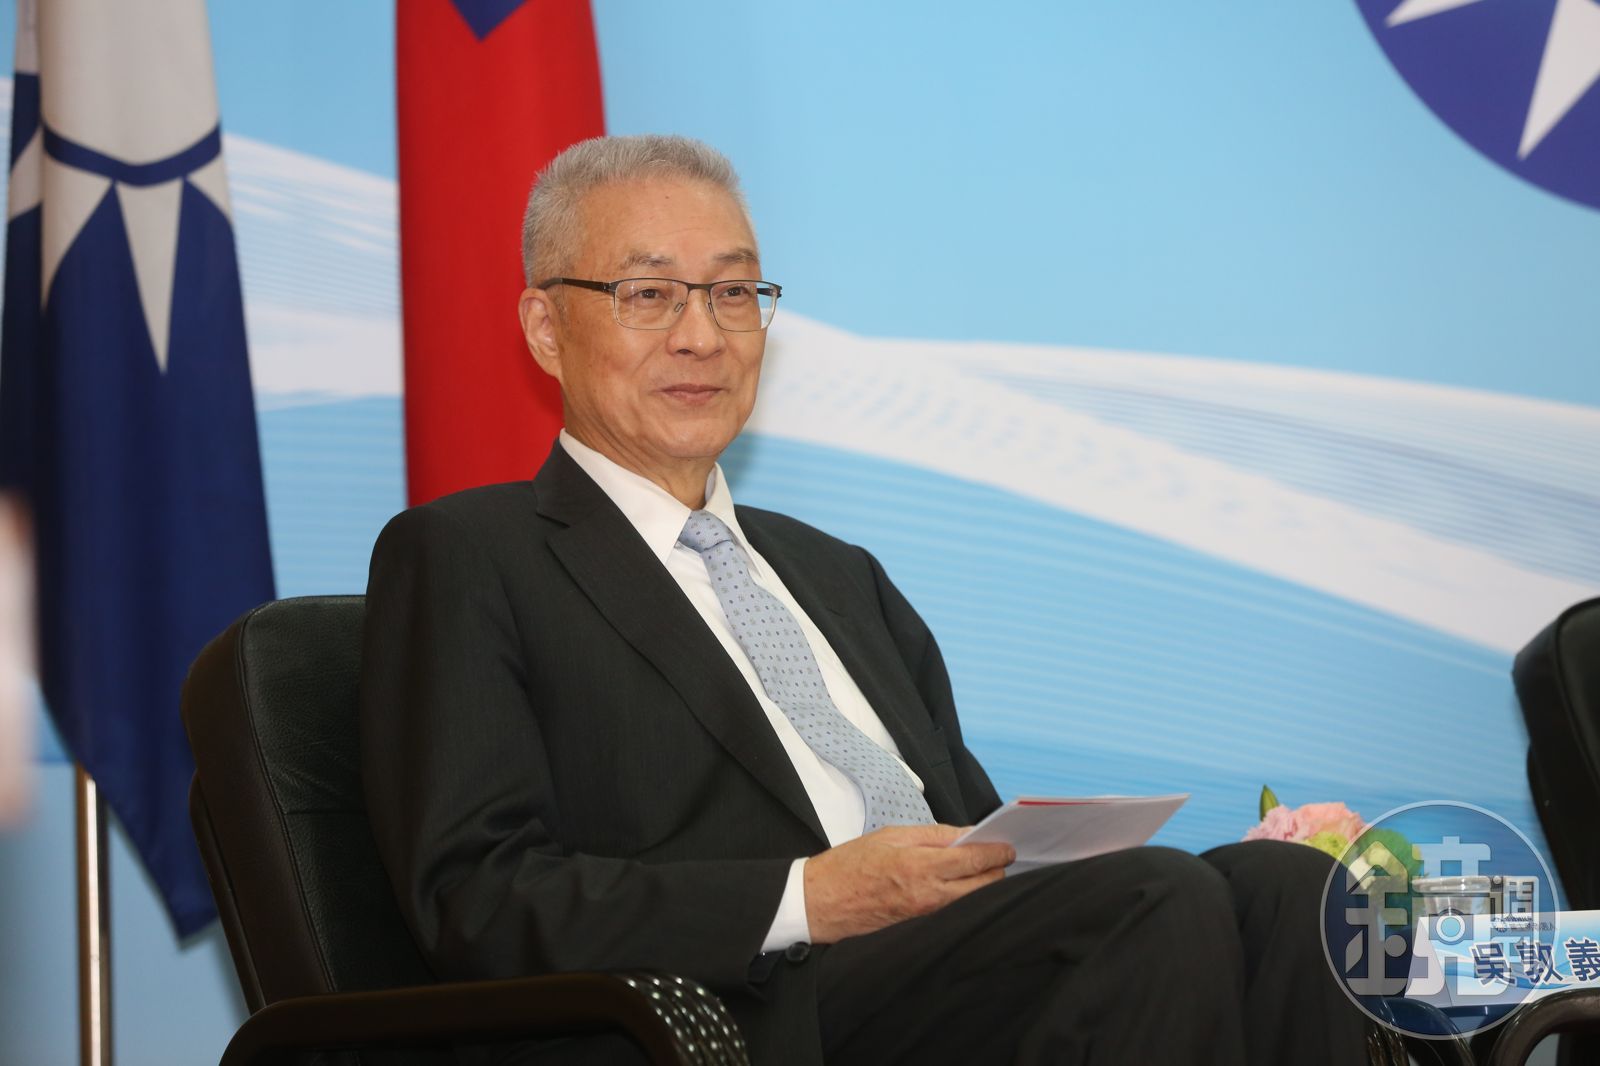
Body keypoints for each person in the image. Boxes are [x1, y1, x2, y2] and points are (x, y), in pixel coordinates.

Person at [359, 134, 1370, 1065]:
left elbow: (974, 840)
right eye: (649, 294)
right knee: (1155, 900)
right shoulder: (470, 556)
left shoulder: (839, 575)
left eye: (733, 292)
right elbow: (478, 898)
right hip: (742, 1018)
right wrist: (809, 897)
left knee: (1292, 894)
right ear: (546, 327)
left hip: (948, 976)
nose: (702, 336)